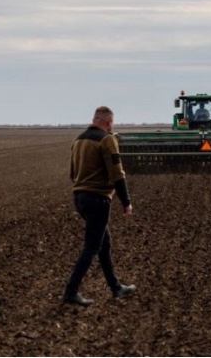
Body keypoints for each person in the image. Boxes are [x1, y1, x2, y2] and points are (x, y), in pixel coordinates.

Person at [62, 105, 136, 306]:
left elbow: (72, 172)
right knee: (92, 246)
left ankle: (116, 287)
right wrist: (126, 202)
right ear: (108, 122)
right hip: (98, 199)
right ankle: (71, 291)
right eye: (112, 123)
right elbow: (117, 173)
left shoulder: (79, 140)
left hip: (80, 197)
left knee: (104, 243)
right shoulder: (107, 139)